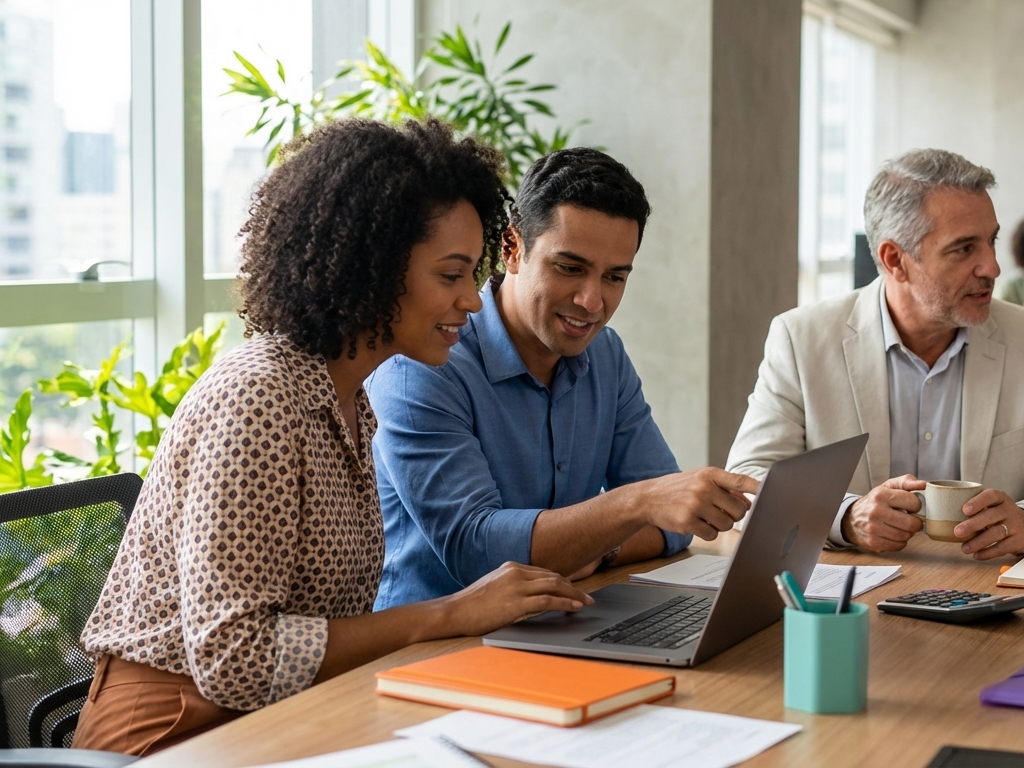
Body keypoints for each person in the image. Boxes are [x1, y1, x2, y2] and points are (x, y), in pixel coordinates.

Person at [73, 119, 593, 757]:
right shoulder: (258, 398)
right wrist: (448, 613)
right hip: (173, 734)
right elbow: (233, 657)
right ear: (371, 270)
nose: (473, 301)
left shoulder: (349, 398)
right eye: (450, 276)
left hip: (288, 716)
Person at [367, 147, 757, 610]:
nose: (592, 302)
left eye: (615, 277)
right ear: (512, 249)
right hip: (439, 641)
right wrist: (635, 505)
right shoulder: (420, 366)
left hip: (563, 620)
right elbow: (477, 552)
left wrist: (601, 548)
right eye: (570, 268)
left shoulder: (605, 355)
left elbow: (675, 524)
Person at [725, 148, 1024, 558]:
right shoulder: (802, 339)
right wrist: (846, 517)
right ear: (895, 260)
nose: (992, 267)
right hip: (851, 586)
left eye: (991, 241)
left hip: (985, 585)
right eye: (964, 248)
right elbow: (746, 482)